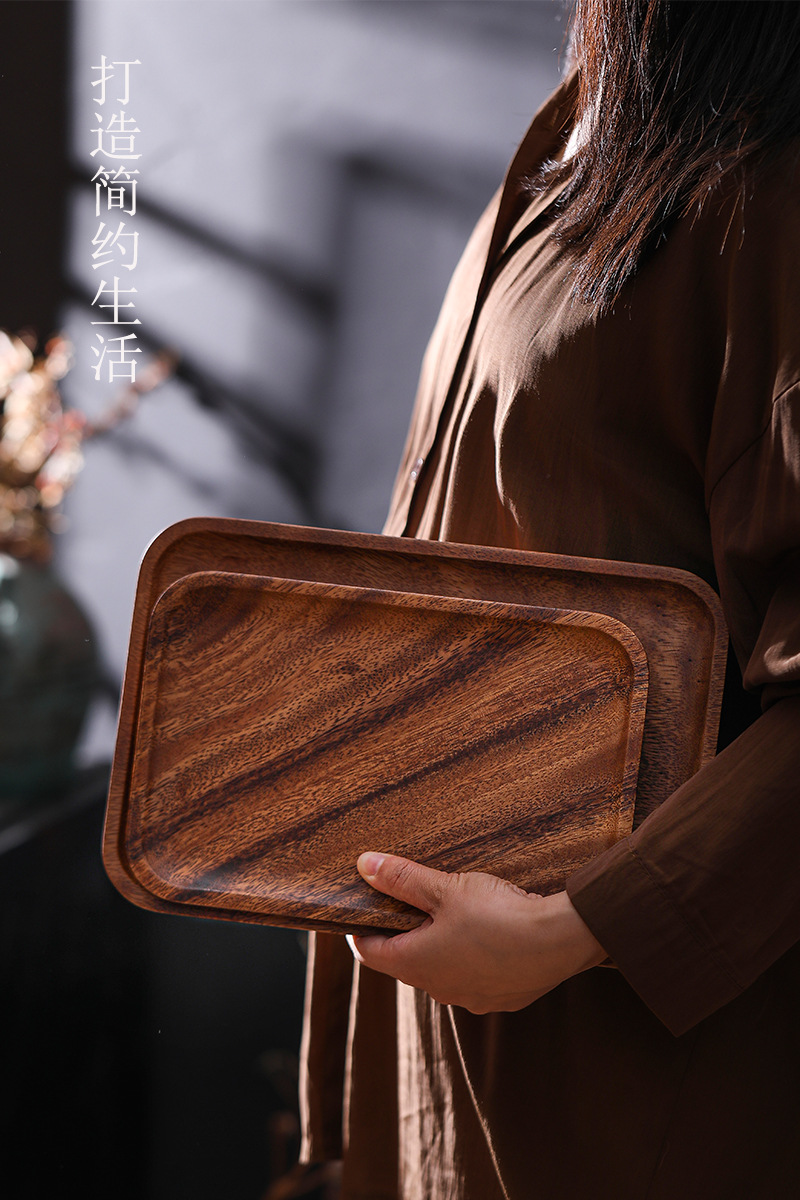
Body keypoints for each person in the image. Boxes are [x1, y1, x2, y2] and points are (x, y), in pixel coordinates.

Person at [299, 3, 800, 1197]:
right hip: (458, 994)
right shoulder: (589, 122)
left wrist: (576, 932)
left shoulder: (772, 182)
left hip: (629, 1053)